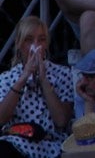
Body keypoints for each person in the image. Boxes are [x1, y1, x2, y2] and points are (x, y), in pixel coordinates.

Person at [0, 16, 74, 158]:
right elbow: (1, 119)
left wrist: (44, 80)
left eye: (41, 40)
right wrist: (23, 78)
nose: (36, 46)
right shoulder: (7, 78)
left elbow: (61, 121)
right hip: (18, 143)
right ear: (19, 45)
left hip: (53, 146)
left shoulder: (63, 74)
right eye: (29, 40)